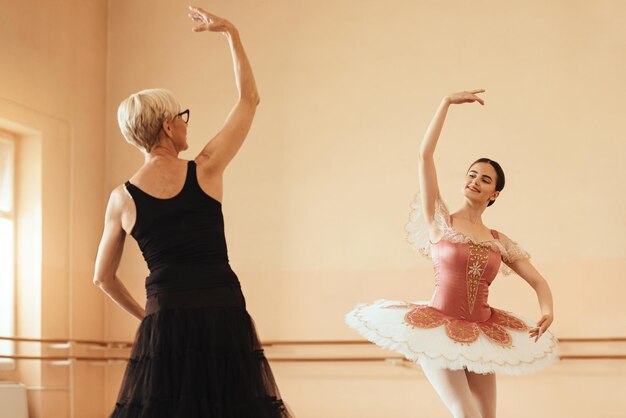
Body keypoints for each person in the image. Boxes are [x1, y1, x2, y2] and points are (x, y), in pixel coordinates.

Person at [93, 6, 291, 417]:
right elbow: (249, 99)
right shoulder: (206, 168)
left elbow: (102, 278)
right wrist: (230, 33)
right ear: (168, 126)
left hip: (166, 319)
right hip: (222, 311)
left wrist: (146, 316)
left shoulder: (121, 198)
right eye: (182, 117)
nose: (187, 124)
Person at [345, 90, 558, 418]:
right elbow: (424, 156)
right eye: (472, 174)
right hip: (438, 330)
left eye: (485, 179)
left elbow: (538, 280)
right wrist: (445, 103)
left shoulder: (498, 240)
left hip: (482, 331)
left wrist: (547, 310)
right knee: (466, 412)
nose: (475, 181)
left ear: (494, 193)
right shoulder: (440, 220)